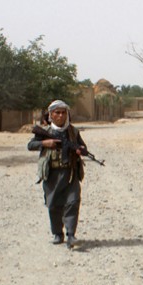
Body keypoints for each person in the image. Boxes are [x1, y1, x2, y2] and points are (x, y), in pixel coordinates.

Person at [28, 99, 87, 249]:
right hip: (52, 175)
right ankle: (57, 234)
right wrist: (44, 143)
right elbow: (31, 145)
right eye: (57, 113)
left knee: (73, 202)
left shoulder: (73, 132)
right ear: (51, 115)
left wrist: (80, 149)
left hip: (70, 173)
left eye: (63, 113)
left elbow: (83, 147)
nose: (61, 116)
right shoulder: (45, 132)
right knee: (53, 205)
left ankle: (71, 235)